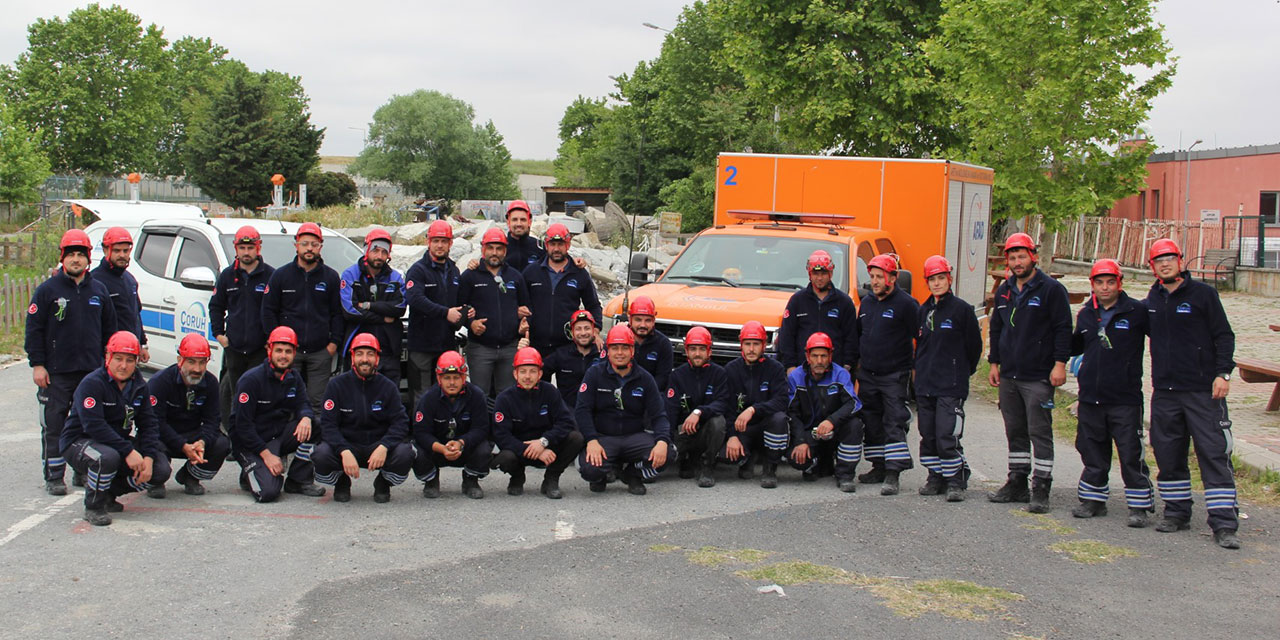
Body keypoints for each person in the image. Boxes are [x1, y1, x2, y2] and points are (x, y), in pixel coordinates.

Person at [1144, 239, 1240, 549]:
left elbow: (1224, 335)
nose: (1165, 263)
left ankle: (1224, 524)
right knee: (1168, 453)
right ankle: (1176, 513)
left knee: (1212, 454)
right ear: (1152, 267)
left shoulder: (1204, 295)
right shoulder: (1154, 298)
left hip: (1203, 391)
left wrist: (1222, 373)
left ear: (1180, 261)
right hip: (1166, 392)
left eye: (1170, 258)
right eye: (1159, 260)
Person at [25, 229, 117, 495]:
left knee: (88, 424)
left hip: (91, 373)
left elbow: (110, 331)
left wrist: (106, 367)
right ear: (62, 258)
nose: (76, 259)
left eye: (81, 254)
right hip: (56, 373)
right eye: (71, 254)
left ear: (89, 258)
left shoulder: (99, 291)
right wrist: (38, 365)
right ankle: (54, 475)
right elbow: (34, 330)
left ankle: (82, 469)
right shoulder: (47, 291)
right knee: (54, 425)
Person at [986, 232, 1072, 513]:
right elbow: (997, 328)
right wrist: (994, 363)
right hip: (1009, 374)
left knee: (1040, 432)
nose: (1017, 262)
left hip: (1038, 376)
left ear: (1033, 256)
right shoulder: (1005, 291)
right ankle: (1017, 482)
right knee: (1016, 432)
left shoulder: (1051, 290)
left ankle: (1041, 488)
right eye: (1012, 257)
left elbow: (1062, 329)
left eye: (1022, 256)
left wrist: (1060, 364)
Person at [1068, 259, 1155, 527]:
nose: (1105, 287)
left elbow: (1164, 338)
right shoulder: (1085, 314)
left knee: (1130, 452)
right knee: (1092, 449)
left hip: (1124, 398)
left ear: (1120, 283)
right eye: (1099, 282)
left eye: (1110, 282)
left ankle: (1139, 506)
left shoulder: (1137, 312)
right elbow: (1076, 345)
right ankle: (1093, 501)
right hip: (1091, 396)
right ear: (1091, 285)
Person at [60, 331, 170, 526]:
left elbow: (149, 424)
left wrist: (149, 457)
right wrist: (128, 451)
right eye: (118, 358)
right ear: (107, 357)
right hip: (79, 441)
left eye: (130, 360)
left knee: (160, 470)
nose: (124, 365)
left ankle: (109, 493)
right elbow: (94, 426)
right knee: (107, 458)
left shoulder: (139, 385)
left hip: (115, 444)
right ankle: (94, 506)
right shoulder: (92, 383)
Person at [312, 334, 415, 503]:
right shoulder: (336, 385)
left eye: (370, 354)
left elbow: (401, 422)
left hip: (377, 446)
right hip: (347, 446)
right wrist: (343, 451)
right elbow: (328, 425)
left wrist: (384, 446)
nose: (365, 359)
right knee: (321, 454)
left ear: (377, 358)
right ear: (352, 357)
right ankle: (341, 481)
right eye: (359, 354)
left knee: (405, 453)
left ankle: (383, 483)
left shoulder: (388, 386)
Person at [913, 256, 982, 502]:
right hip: (926, 385)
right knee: (928, 435)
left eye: (941, 278)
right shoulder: (923, 310)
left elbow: (975, 347)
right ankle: (935, 477)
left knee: (947, 434)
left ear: (949, 279)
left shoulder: (962, 310)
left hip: (950, 385)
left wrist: (961, 372)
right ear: (927, 282)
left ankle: (955, 480)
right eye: (932, 279)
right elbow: (919, 346)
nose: (937, 283)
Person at [231, 326, 325, 502]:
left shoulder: (293, 377)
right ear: (269, 350)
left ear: (294, 353)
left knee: (316, 426)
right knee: (268, 493)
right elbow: (242, 427)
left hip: (276, 436)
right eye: (279, 350)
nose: (283, 356)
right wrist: (267, 456)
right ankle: (250, 470)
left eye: (288, 351)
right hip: (249, 443)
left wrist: (305, 417)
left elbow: (303, 403)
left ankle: (298, 480)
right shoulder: (251, 380)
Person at [576, 324, 671, 495]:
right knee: (590, 470)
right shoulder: (594, 374)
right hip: (604, 437)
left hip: (634, 437)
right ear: (608, 351)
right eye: (615, 348)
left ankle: (632, 474)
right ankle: (601, 475)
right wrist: (591, 440)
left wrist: (662, 441)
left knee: (668, 453)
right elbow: (582, 410)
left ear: (632, 351)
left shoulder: (645, 378)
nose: (620, 353)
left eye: (624, 348)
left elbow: (659, 415)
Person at [854, 254, 919, 495]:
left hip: (895, 375)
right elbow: (859, 335)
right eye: (872, 277)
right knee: (871, 421)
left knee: (894, 422)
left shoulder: (907, 305)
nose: (875, 281)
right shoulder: (867, 303)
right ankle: (878, 466)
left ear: (893, 277)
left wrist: (914, 372)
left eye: (880, 277)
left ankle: (893, 473)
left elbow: (919, 339)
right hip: (868, 374)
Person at [262, 222, 344, 414]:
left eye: (314, 244)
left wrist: (333, 344)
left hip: (320, 352)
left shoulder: (331, 277)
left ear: (320, 247)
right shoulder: (280, 276)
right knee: (286, 401)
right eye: (305, 243)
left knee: (318, 404)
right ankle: (286, 441)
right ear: (296, 245)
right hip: (288, 353)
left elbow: (337, 314)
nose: (309, 248)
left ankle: (314, 441)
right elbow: (268, 310)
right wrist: (274, 342)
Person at [492, 347, 585, 499]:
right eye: (523, 371)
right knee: (505, 457)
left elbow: (566, 423)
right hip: (520, 449)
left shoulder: (550, 392)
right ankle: (517, 477)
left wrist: (543, 442)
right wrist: (529, 449)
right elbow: (501, 435)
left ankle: (551, 479)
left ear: (540, 374)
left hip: (547, 446)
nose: (527, 376)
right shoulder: (504, 398)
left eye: (532, 371)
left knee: (576, 438)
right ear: (515, 374)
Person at [146, 334, 229, 497]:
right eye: (191, 362)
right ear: (180, 360)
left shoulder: (211, 383)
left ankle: (190, 477)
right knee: (159, 468)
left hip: (193, 436)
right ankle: (156, 480)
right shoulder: (159, 382)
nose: (197, 369)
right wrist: (182, 445)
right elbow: (155, 423)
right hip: (163, 437)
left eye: (202, 362)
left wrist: (202, 442)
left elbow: (213, 421)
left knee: (222, 443)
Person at [211, 225, 275, 436]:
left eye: (250, 247)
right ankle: (235, 438)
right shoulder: (228, 276)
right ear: (236, 248)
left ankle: (258, 438)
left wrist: (271, 339)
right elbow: (216, 306)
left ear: (259, 247)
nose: (246, 252)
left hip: (261, 348)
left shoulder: (270, 276)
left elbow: (278, 308)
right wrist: (219, 334)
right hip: (235, 347)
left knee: (258, 393)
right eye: (242, 247)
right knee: (236, 394)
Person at [456, 227, 530, 397]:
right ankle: (481, 425)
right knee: (478, 395)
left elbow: (527, 308)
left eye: (499, 248)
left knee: (508, 396)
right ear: (483, 250)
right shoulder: (470, 276)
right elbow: (459, 308)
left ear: (505, 251)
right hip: (480, 348)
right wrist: (471, 323)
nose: (494, 252)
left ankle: (503, 425)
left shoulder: (515, 277)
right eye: (490, 248)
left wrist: (523, 324)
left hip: (510, 348)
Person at [784, 332, 863, 492]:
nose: (819, 361)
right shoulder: (796, 377)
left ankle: (845, 475)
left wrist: (831, 421)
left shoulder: (840, 374)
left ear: (830, 356)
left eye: (823, 356)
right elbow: (792, 413)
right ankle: (817, 463)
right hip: (811, 431)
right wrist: (800, 441)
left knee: (855, 425)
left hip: (835, 429)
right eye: (815, 356)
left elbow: (854, 404)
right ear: (807, 356)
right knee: (796, 458)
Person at [411, 351, 492, 499]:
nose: (452, 383)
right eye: (447, 378)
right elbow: (420, 432)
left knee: (485, 448)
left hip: (464, 447)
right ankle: (431, 480)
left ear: (464, 377)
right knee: (416, 450)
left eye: (456, 377)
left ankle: (470, 479)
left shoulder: (477, 395)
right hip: (437, 448)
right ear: (438, 378)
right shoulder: (428, 399)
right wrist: (441, 448)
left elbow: (481, 428)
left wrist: (461, 442)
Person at [404, 220, 468, 401]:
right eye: (436, 241)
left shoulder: (454, 271)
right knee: (421, 396)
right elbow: (415, 299)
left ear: (451, 243)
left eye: (444, 241)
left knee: (447, 394)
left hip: (446, 344)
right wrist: (445, 313)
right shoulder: (417, 270)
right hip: (421, 346)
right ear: (428, 242)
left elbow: (458, 302)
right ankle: (420, 429)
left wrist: (465, 313)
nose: (440, 245)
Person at [722, 321, 790, 488]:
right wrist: (731, 436)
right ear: (741, 345)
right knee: (726, 456)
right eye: (747, 344)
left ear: (764, 345)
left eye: (756, 344)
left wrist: (753, 409)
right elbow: (726, 406)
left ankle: (770, 467)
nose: (751, 349)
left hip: (767, 424)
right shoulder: (731, 369)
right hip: (743, 428)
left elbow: (782, 400)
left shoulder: (776, 368)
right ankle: (748, 457)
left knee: (780, 419)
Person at [522, 223, 602, 356]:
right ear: (546, 245)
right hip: (536, 344)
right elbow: (518, 301)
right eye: (552, 244)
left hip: (568, 345)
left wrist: (596, 330)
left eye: (561, 244)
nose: (556, 249)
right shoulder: (531, 271)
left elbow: (593, 305)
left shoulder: (579, 273)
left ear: (568, 245)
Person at [340, 228, 407, 383]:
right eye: (375, 250)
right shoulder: (350, 275)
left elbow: (400, 308)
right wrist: (384, 318)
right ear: (366, 250)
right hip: (358, 348)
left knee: (390, 398)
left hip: (389, 350)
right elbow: (350, 311)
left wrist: (368, 305)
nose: (380, 256)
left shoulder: (395, 277)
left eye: (384, 252)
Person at [666, 327, 730, 488]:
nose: (697, 353)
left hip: (706, 431)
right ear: (686, 351)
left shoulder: (719, 373)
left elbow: (722, 403)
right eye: (693, 349)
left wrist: (698, 412)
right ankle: (686, 459)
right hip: (683, 433)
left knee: (718, 422)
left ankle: (707, 465)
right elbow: (671, 410)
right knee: (662, 460)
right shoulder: (677, 375)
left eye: (702, 349)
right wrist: (665, 441)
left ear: (709, 351)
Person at [778, 249, 858, 373]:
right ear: (810, 274)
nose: (820, 278)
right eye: (815, 274)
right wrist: (790, 366)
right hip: (803, 370)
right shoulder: (797, 301)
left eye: (824, 273)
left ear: (831, 273)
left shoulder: (844, 302)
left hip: (835, 371)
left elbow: (851, 338)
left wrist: (847, 366)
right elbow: (787, 335)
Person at [91, 226, 149, 363]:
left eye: (125, 250)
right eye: (116, 251)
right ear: (105, 250)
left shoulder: (130, 280)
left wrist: (142, 344)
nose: (122, 255)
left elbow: (135, 315)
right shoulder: (95, 281)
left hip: (129, 353)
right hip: (106, 356)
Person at [542, 310, 602, 408]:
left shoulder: (603, 354)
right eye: (578, 329)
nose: (583, 333)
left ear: (593, 331)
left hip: (597, 411)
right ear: (572, 332)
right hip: (568, 411)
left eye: (587, 328)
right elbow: (536, 371)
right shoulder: (561, 354)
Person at [620, 296, 673, 391]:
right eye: (638, 320)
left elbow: (663, 378)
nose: (643, 325)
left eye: (647, 320)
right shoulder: (618, 340)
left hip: (651, 395)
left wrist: (644, 394)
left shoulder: (663, 344)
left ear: (653, 321)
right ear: (630, 319)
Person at [503, 200, 545, 270]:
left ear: (529, 222)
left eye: (523, 220)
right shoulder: (499, 247)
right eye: (515, 219)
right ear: (508, 222)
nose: (519, 224)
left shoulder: (540, 247)